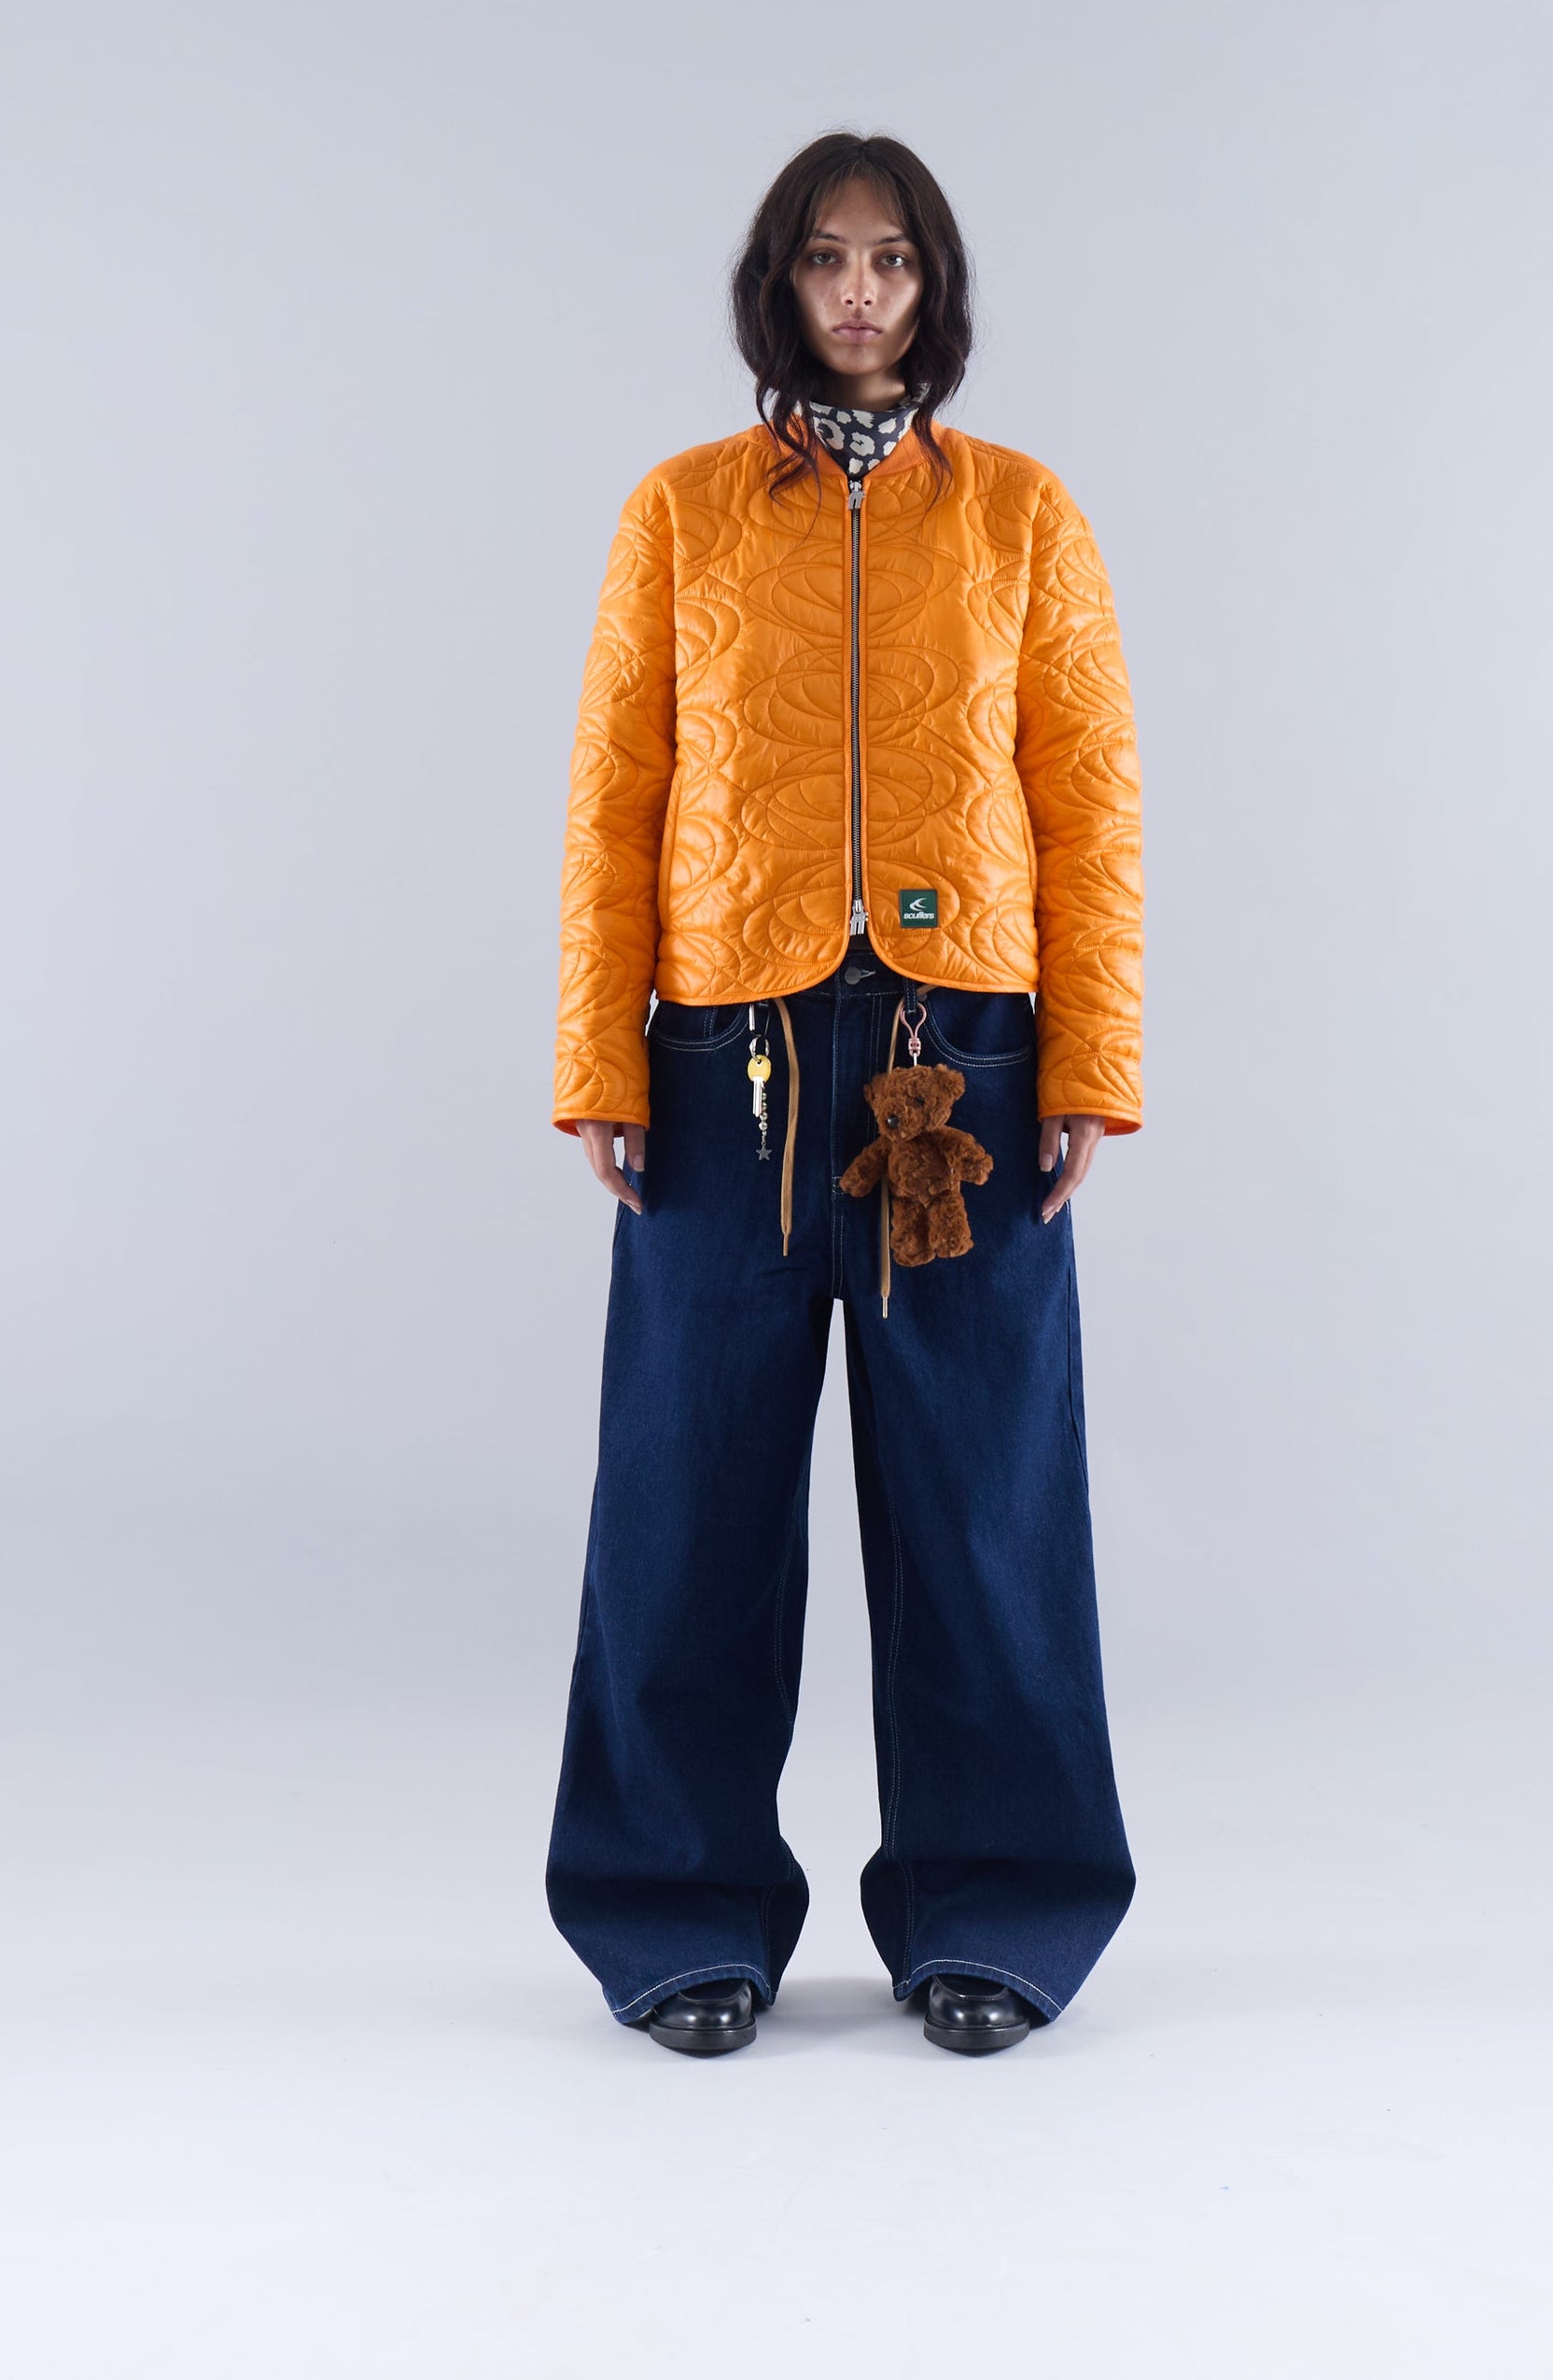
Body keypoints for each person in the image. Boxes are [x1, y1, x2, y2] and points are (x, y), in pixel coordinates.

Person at [545, 133, 1142, 2056]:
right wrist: (597, 1053)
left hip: (963, 1060)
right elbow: (615, 795)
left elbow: (1088, 800)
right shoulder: (680, 510)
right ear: (778, 281)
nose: (862, 292)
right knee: (687, 1497)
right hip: (725, 1066)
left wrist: (1090, 1060)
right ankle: (675, 1912)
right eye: (827, 257)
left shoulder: (1022, 513)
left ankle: (1000, 1909)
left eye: (893, 259)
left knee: (983, 1501)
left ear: (932, 284)